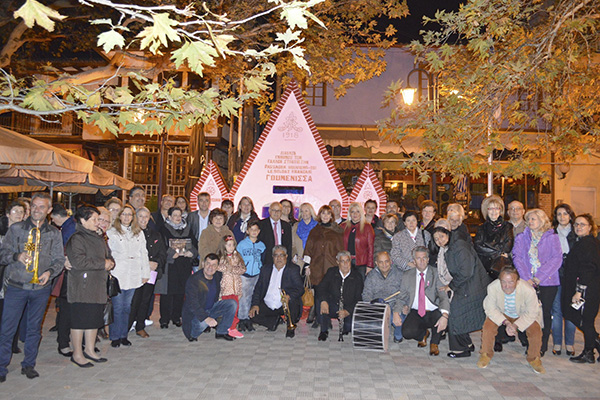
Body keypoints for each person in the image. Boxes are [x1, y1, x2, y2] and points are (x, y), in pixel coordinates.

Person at [0, 193, 65, 381]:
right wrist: (17, 256)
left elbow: (59, 260)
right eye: (34, 206)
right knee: (7, 329)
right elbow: (2, 254)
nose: (37, 210)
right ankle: (1, 366)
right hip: (16, 287)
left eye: (41, 207)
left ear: (49, 210)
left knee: (34, 329)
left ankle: (28, 364)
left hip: (40, 289)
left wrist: (49, 273)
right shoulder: (16, 229)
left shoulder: (54, 233)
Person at [65, 205, 114, 368]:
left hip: (98, 285)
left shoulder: (99, 237)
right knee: (80, 321)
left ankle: (90, 350)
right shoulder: (77, 238)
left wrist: (110, 262)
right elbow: (78, 262)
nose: (97, 222)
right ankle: (77, 353)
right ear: (82, 220)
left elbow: (107, 255)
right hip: (82, 286)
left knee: (93, 319)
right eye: (94, 219)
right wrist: (102, 263)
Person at [432, 226, 489, 358]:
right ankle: (467, 344)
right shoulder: (450, 247)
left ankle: (461, 349)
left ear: (448, 234)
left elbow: (466, 271)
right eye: (436, 239)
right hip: (467, 283)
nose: (439, 240)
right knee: (459, 313)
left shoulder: (459, 246)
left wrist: (451, 286)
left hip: (472, 285)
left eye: (441, 236)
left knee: (454, 312)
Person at [512, 208, 562, 357]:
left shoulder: (552, 237)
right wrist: (526, 277)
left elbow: (556, 259)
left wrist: (540, 277)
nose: (530, 221)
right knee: (526, 312)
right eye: (529, 219)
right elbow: (517, 257)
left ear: (542, 220)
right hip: (526, 281)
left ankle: (541, 345)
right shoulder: (522, 237)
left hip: (547, 282)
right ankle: (529, 342)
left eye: (533, 219)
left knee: (544, 314)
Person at [477, 266, 545, 374]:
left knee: (535, 330)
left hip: (522, 314)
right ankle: (485, 354)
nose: (506, 286)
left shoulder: (528, 290)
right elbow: (490, 309)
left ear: (517, 281)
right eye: (503, 282)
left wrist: (516, 325)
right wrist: (507, 322)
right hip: (502, 313)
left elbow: (532, 312)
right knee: (488, 327)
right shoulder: (492, 287)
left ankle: (534, 358)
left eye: (511, 282)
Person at [107, 205, 150, 348]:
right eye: (124, 214)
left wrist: (145, 273)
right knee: (118, 307)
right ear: (120, 216)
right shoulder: (112, 232)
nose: (126, 217)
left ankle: (123, 335)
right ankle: (115, 336)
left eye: (129, 214)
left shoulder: (138, 233)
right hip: (118, 274)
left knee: (127, 307)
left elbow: (144, 253)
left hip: (134, 274)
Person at [397, 246, 450, 355]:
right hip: (416, 311)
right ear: (414, 261)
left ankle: (434, 343)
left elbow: (443, 296)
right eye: (418, 258)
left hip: (433, 310)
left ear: (428, 259)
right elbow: (401, 296)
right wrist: (396, 312)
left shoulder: (436, 273)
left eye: (424, 258)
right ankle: (423, 334)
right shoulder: (407, 275)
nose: (421, 261)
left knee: (440, 317)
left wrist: (445, 315)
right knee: (406, 333)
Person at [563, 214, 600, 363]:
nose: (578, 227)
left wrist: (579, 291)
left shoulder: (588, 244)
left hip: (587, 289)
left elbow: (588, 268)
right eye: (576, 224)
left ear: (590, 227)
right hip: (587, 287)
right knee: (581, 319)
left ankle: (588, 353)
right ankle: (593, 347)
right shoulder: (584, 242)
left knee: (585, 321)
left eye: (582, 224)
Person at [303, 205, 344, 325]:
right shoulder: (314, 231)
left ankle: (326, 320)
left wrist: (340, 267)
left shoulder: (338, 231)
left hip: (331, 268)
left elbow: (340, 250)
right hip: (316, 267)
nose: (325, 216)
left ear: (331, 216)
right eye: (323, 213)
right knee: (318, 293)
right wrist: (307, 266)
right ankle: (318, 318)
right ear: (319, 215)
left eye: (328, 213)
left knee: (329, 294)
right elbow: (308, 249)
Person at [249, 246, 303, 338]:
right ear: (272, 257)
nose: (279, 258)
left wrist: (289, 296)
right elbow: (258, 288)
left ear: (286, 256)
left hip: (284, 305)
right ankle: (273, 322)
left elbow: (300, 289)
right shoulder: (265, 269)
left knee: (293, 303)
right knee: (252, 314)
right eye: (276, 255)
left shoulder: (293, 269)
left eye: (281, 255)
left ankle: (290, 327)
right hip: (268, 303)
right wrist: (255, 304)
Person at [157, 206, 198, 329]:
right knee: (167, 293)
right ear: (169, 217)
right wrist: (170, 253)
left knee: (180, 292)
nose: (177, 218)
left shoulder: (187, 229)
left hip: (184, 265)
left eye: (179, 215)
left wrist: (192, 253)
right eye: (174, 215)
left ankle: (176, 317)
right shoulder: (163, 229)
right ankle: (164, 319)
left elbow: (194, 244)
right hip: (170, 265)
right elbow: (161, 246)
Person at [181, 254, 237, 341]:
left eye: (214, 265)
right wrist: (206, 318)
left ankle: (221, 332)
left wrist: (238, 292)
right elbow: (192, 304)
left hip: (210, 309)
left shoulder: (217, 276)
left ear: (217, 267)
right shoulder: (194, 280)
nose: (210, 267)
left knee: (232, 303)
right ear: (203, 264)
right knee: (203, 323)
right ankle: (193, 334)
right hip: (195, 315)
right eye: (208, 264)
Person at [129, 207, 166, 338]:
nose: (143, 219)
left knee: (145, 300)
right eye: (141, 216)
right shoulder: (130, 233)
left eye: (146, 216)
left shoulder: (155, 234)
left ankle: (140, 326)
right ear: (135, 217)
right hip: (135, 272)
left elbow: (162, 253)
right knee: (134, 300)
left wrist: (156, 263)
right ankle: (127, 326)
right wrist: (144, 263)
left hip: (151, 272)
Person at [49, 203, 77, 358]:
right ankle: (64, 342)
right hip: (68, 275)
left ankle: (64, 342)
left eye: (53, 218)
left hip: (70, 275)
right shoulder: (69, 227)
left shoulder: (69, 228)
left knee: (66, 310)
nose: (53, 221)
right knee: (66, 309)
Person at [316, 250, 363, 341]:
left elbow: (358, 298)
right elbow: (321, 288)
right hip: (333, 305)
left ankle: (346, 325)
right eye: (342, 261)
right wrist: (324, 301)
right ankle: (324, 330)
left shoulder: (357, 276)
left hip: (348, 307)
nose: (345, 264)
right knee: (319, 301)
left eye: (347, 261)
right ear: (337, 262)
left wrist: (348, 311)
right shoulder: (331, 272)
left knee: (348, 328)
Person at [0, 201, 26, 355]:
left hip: (16, 278)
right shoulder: (2, 233)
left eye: (21, 212)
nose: (18, 214)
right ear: (7, 214)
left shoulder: (24, 232)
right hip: (2, 277)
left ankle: (12, 343)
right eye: (15, 211)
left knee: (15, 312)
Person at [550, 203, 577, 356]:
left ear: (570, 216)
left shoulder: (576, 233)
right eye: (559, 214)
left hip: (572, 276)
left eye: (565, 213)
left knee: (571, 309)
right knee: (557, 310)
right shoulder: (551, 233)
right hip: (556, 275)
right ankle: (557, 342)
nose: (562, 217)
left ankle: (570, 343)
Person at [362, 251, 405, 343]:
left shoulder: (400, 274)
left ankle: (398, 334)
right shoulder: (371, 276)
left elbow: (404, 295)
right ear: (376, 263)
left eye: (386, 261)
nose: (384, 265)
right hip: (378, 305)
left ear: (390, 261)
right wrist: (373, 306)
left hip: (395, 305)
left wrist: (398, 310)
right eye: (381, 262)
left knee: (400, 319)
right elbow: (366, 294)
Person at [473, 195, 514, 278]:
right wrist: (498, 253)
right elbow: (478, 246)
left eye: (497, 208)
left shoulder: (507, 226)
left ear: (500, 210)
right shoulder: (481, 228)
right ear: (486, 210)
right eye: (490, 208)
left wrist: (488, 246)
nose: (494, 211)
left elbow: (508, 246)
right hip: (484, 267)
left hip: (501, 267)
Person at [236, 221, 265, 332]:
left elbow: (263, 258)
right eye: (251, 229)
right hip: (245, 274)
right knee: (243, 297)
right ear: (247, 231)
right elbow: (237, 258)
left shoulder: (261, 245)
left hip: (256, 274)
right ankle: (242, 319)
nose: (254, 232)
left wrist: (261, 268)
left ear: (259, 231)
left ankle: (249, 318)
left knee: (252, 296)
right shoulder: (242, 244)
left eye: (256, 230)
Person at [216, 235, 246, 338]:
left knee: (235, 308)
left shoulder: (237, 257)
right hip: (226, 289)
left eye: (233, 245)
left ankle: (232, 327)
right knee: (229, 309)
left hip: (236, 288)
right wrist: (228, 268)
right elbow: (218, 267)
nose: (231, 247)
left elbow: (242, 269)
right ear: (224, 246)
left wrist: (232, 269)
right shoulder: (221, 258)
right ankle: (228, 327)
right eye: (229, 245)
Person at [342, 202, 375, 279]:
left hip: (362, 264)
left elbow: (371, 247)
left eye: (357, 211)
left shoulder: (367, 227)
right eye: (352, 211)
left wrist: (370, 265)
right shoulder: (343, 226)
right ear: (349, 213)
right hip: (346, 262)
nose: (355, 214)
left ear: (361, 213)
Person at [257, 202, 293, 270]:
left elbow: (289, 245)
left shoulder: (286, 226)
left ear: (281, 212)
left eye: (278, 210)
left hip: (282, 260)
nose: (276, 213)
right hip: (266, 260)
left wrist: (288, 260)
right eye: (274, 210)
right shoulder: (261, 224)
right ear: (269, 211)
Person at [291, 202, 317, 268]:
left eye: (306, 211)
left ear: (311, 212)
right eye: (302, 211)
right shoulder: (296, 226)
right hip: (299, 261)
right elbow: (292, 244)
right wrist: (294, 255)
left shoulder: (318, 226)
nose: (304, 213)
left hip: (315, 261)